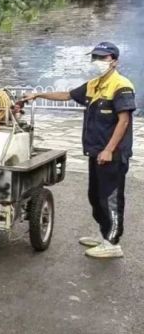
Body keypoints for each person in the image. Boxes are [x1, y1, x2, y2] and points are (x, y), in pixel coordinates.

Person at [22, 42, 135, 259]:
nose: (98, 62)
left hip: (112, 153)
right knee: (95, 196)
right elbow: (67, 95)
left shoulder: (121, 85)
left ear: (114, 61)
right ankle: (104, 234)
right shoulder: (94, 85)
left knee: (110, 197)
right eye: (96, 57)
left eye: (103, 58)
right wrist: (36, 96)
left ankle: (112, 243)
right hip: (96, 151)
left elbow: (124, 121)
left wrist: (109, 150)